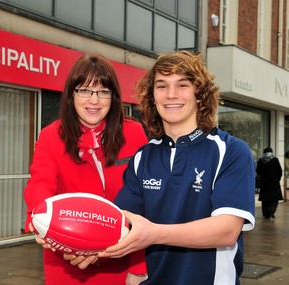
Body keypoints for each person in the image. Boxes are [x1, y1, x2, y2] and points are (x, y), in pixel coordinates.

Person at [96, 51, 256, 285]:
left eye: (182, 85)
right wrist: (81, 247)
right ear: (152, 96)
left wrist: (154, 233)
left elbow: (227, 231)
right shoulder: (143, 156)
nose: (171, 95)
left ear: (199, 95)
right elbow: (120, 223)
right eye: (162, 86)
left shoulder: (230, 151)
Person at [23, 54, 148, 285]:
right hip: (67, 259)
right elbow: (40, 183)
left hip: (122, 258)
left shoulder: (133, 132)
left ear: (113, 97)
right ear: (72, 94)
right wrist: (38, 217)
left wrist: (139, 266)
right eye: (85, 90)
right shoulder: (51, 136)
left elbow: (145, 201)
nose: (94, 100)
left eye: (103, 92)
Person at [256, 147, 283, 219]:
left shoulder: (261, 161)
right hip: (274, 182)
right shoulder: (275, 160)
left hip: (264, 182)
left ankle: (266, 214)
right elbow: (279, 171)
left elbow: (258, 171)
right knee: (275, 199)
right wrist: (278, 178)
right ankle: (271, 210)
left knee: (265, 200)